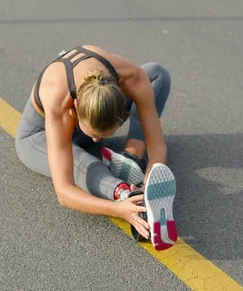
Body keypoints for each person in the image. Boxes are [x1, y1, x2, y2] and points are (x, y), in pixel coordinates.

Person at [15, 45, 177, 250]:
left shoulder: (132, 79)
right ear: (75, 106)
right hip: (39, 136)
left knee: (156, 74)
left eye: (104, 136)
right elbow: (64, 192)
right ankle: (125, 194)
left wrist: (149, 185)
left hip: (88, 112)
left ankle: (132, 156)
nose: (96, 142)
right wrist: (119, 210)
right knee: (84, 163)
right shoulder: (58, 100)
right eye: (94, 134)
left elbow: (158, 148)